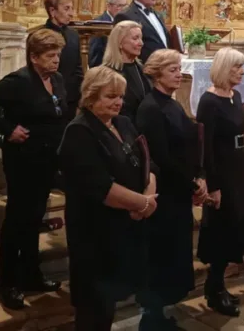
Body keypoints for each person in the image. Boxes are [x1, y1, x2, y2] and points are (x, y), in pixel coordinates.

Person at [0, 29, 68, 309]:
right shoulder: (18, 82)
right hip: (24, 159)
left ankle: (32, 275)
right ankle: (9, 283)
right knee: (17, 221)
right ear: (33, 57)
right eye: (49, 56)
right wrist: (8, 129)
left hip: (48, 159)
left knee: (35, 218)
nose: (56, 60)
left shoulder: (56, 79)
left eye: (57, 54)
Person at [58, 66, 158, 331]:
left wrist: (147, 198)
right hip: (95, 233)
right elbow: (100, 187)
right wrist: (143, 204)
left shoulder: (122, 122)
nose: (118, 102)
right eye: (110, 96)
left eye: (120, 96)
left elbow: (148, 163)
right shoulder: (79, 131)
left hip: (123, 228)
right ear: (91, 96)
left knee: (110, 302)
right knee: (94, 306)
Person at [136, 50, 207, 330]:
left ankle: (160, 314)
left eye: (179, 69)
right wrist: (191, 183)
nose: (179, 74)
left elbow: (187, 144)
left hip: (178, 192)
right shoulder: (150, 107)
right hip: (165, 193)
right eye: (172, 70)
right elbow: (161, 157)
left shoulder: (173, 103)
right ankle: (151, 318)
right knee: (161, 256)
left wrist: (199, 176)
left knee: (174, 253)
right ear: (156, 73)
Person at [197, 48, 244, 317]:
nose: (242, 72)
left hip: (238, 170)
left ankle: (219, 285)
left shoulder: (236, 95)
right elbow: (205, 147)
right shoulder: (209, 102)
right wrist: (213, 185)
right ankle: (214, 289)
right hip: (221, 173)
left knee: (234, 227)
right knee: (220, 230)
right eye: (236, 68)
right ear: (223, 69)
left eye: (242, 67)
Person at [44, 0, 83, 115]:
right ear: (52, 11)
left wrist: (80, 99)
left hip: (71, 99)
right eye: (66, 9)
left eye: (72, 9)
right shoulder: (40, 36)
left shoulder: (73, 35)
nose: (71, 13)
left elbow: (78, 69)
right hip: (48, 99)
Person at [113, 0, 168, 64]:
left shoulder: (158, 15)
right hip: (142, 71)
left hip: (162, 70)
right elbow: (123, 49)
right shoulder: (125, 15)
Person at [102, 20, 151, 121]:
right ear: (119, 42)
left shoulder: (142, 69)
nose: (141, 43)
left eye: (141, 38)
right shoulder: (108, 73)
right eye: (135, 38)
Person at [88, 0, 128, 68]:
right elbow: (95, 56)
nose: (124, 9)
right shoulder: (98, 23)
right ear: (109, 6)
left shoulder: (127, 22)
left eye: (125, 5)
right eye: (120, 6)